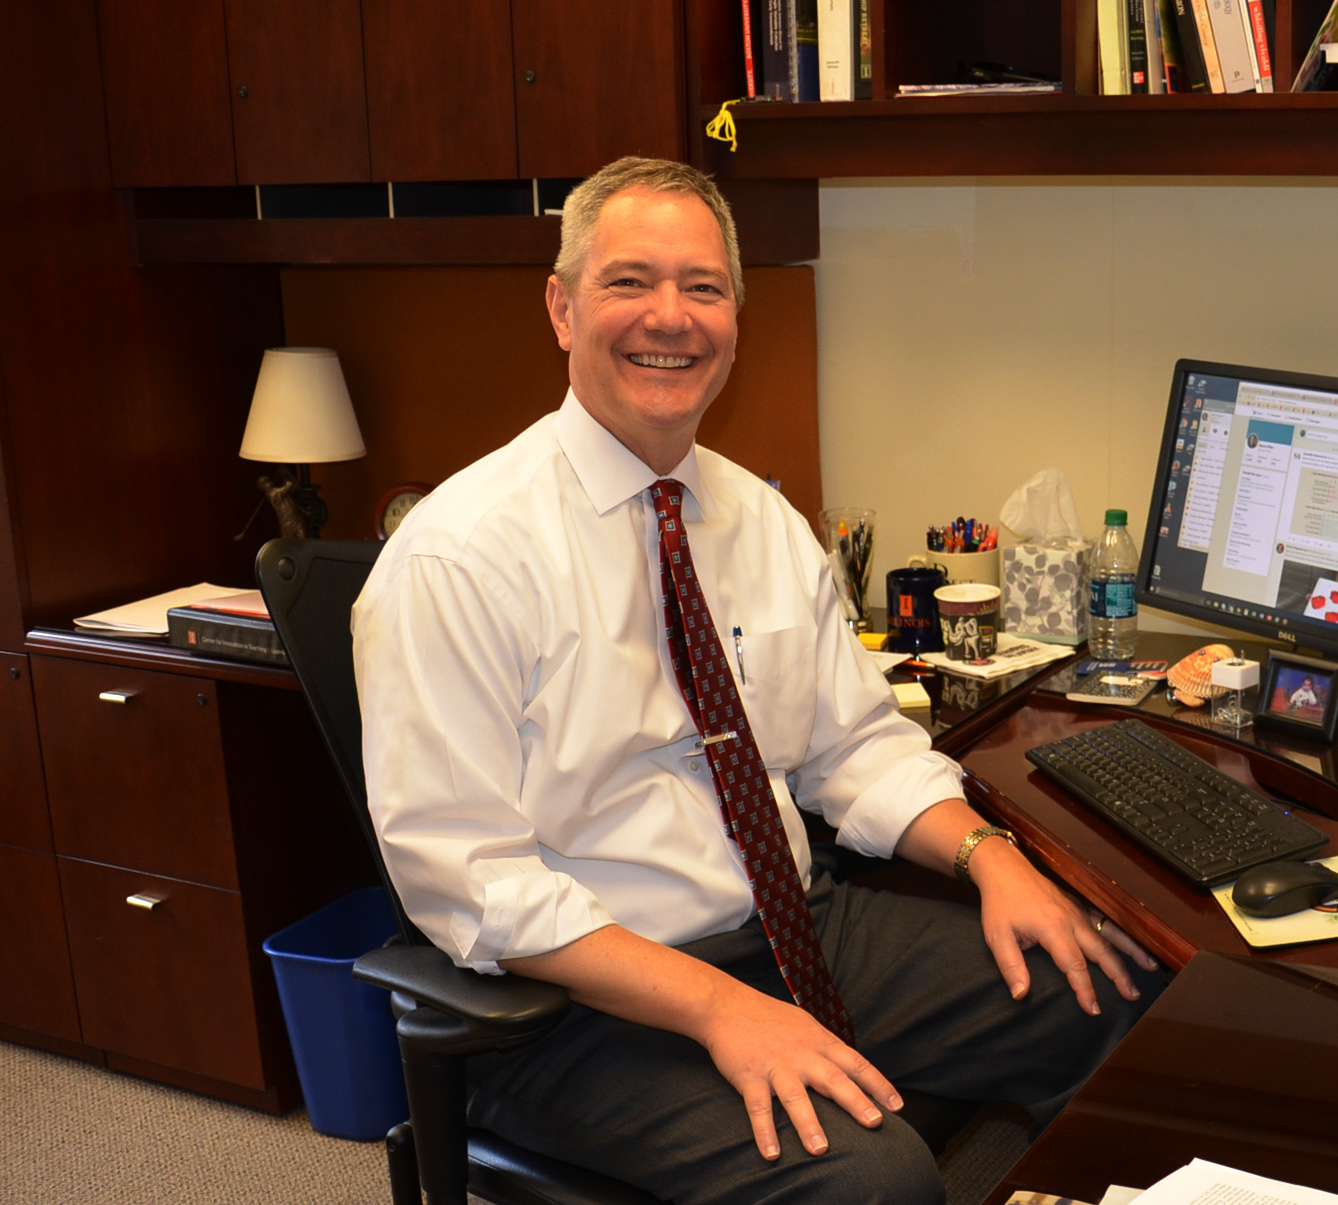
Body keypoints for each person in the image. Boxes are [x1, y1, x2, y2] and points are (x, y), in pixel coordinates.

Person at [352, 157, 1163, 1205]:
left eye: (702, 287)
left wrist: (988, 855)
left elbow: (853, 748)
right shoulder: (460, 555)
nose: (670, 317)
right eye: (628, 281)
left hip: (789, 925)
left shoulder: (761, 521)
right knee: (873, 1180)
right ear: (560, 307)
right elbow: (469, 878)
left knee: (1109, 994)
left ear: (737, 314)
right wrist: (714, 1005)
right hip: (573, 1000)